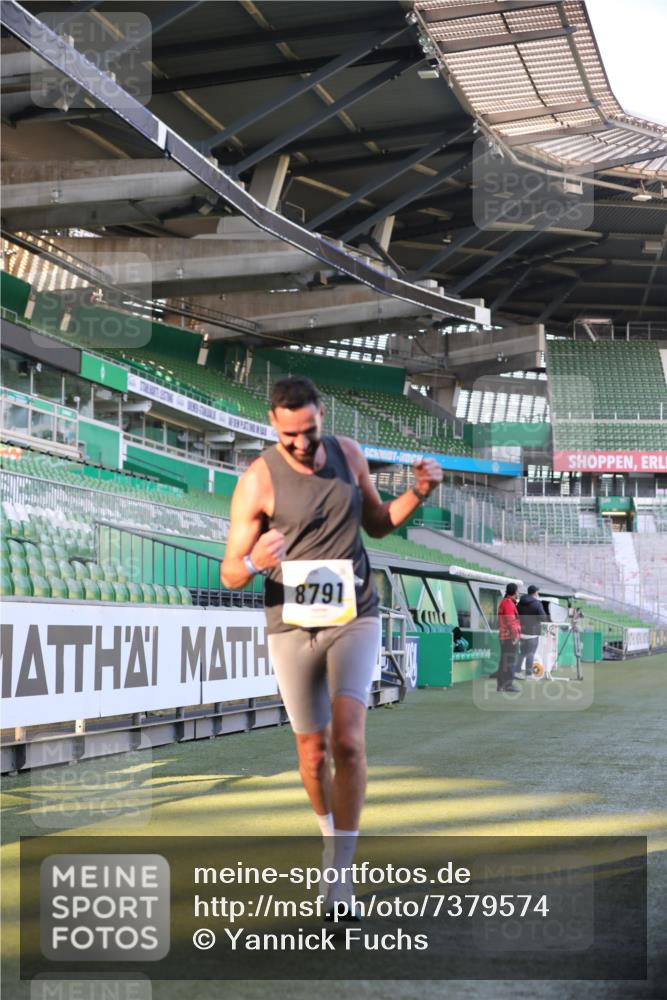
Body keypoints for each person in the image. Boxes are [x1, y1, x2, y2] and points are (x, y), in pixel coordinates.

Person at [220, 376, 442, 915]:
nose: (302, 443)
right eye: (291, 434)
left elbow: (378, 525)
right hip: (291, 624)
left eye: (310, 430)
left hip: (354, 615)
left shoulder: (348, 454)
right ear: (274, 424)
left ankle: (339, 877)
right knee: (312, 753)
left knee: (348, 741)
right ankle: (329, 835)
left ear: (323, 414)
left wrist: (417, 493)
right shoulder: (257, 482)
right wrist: (255, 562)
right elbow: (230, 573)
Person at [516, 585, 549, 678]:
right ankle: (528, 674)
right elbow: (543, 618)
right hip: (533, 633)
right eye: (537, 593)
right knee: (531, 653)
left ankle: (517, 672)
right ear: (535, 593)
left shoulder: (520, 603)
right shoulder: (537, 604)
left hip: (522, 632)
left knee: (522, 652)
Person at [496, 583, 521, 692]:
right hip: (509, 637)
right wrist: (515, 636)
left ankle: (501, 685)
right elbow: (512, 622)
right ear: (515, 592)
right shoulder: (509, 604)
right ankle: (508, 685)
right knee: (509, 661)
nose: (518, 593)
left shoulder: (504, 603)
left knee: (504, 661)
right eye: (518, 591)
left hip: (504, 636)